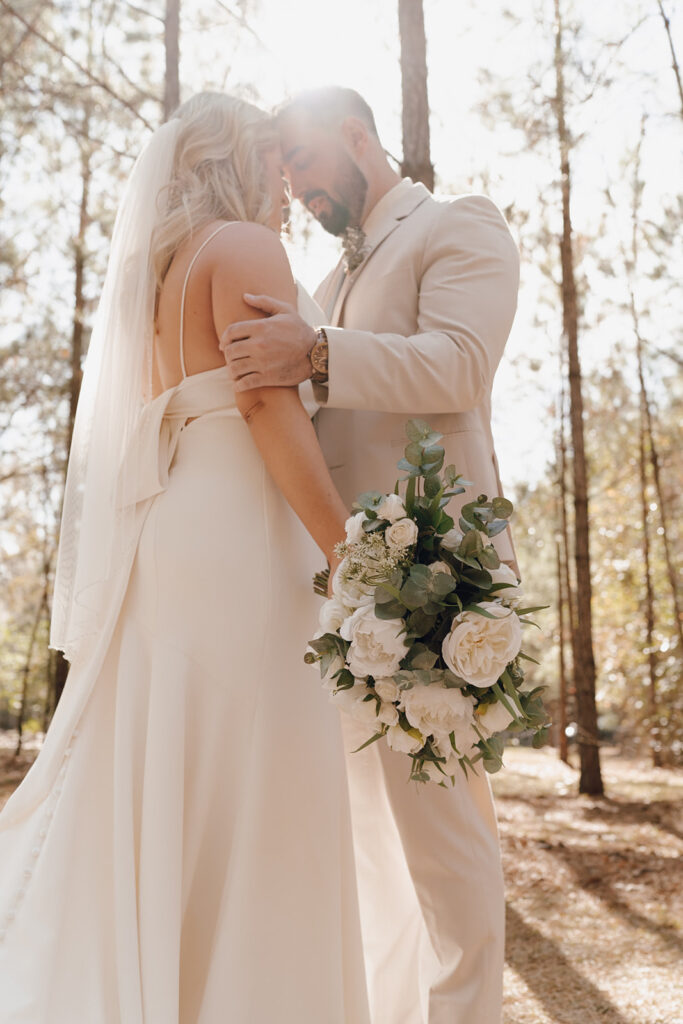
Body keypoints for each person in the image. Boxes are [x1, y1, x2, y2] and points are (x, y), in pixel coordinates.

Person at [0, 92, 370, 1023]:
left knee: (183, 764)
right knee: (260, 780)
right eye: (273, 162)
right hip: (238, 536)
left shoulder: (165, 269)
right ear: (237, 164)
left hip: (178, 528)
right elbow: (263, 404)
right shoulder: (243, 247)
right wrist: (353, 555)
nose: (286, 185)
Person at [220, 86, 521, 1024]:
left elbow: (459, 363)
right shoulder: (342, 274)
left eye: (304, 161)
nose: (294, 185)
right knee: (368, 844)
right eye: (284, 173)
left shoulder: (456, 224)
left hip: (436, 576)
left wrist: (312, 353)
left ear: (358, 137)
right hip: (348, 587)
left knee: (443, 832)